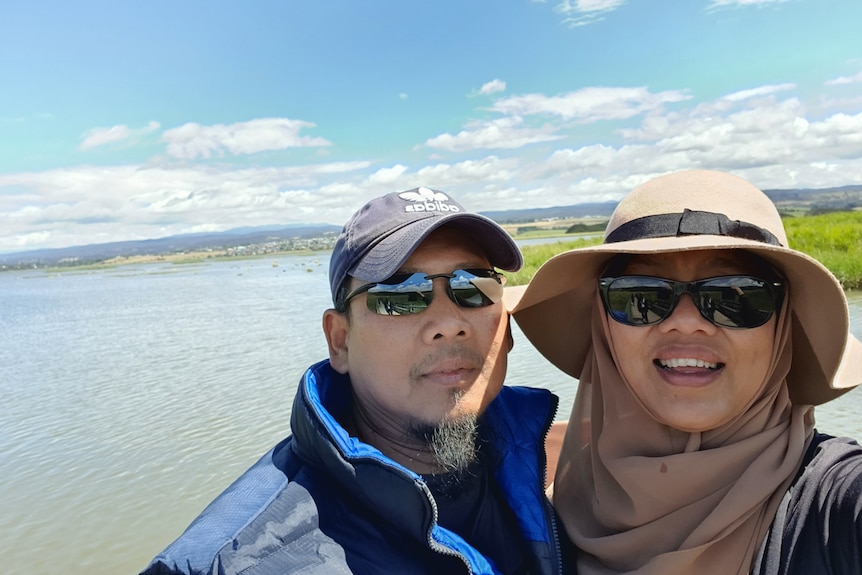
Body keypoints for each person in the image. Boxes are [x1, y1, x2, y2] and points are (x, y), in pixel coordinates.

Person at [141, 187, 562, 575]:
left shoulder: (551, 466)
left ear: (504, 328)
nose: (449, 324)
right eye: (399, 297)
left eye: (473, 287)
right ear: (340, 341)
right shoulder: (240, 561)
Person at [506, 170, 862, 574]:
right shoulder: (537, 516)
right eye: (640, 295)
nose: (686, 322)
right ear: (603, 327)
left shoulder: (839, 506)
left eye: (734, 295)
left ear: (783, 327)